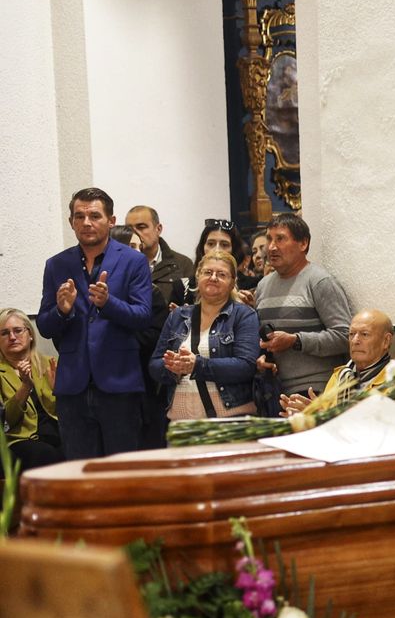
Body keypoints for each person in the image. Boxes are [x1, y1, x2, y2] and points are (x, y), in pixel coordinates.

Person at [37, 187, 153, 460]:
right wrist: (62, 311)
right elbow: (44, 325)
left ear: (111, 221)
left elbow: (143, 316)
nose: (86, 222)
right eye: (79, 216)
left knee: (121, 472)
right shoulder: (56, 264)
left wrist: (108, 303)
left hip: (118, 384)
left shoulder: (133, 261)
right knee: (80, 473)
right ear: (71, 222)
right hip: (72, 387)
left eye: (94, 215)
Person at [252, 213, 354, 414]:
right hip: (276, 391)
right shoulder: (263, 286)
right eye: (269, 239)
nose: (271, 247)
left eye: (280, 239)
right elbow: (265, 340)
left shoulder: (319, 282)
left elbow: (345, 336)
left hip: (317, 391)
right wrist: (264, 357)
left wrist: (296, 340)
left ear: (303, 244)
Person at [148, 251, 261, 427]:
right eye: (207, 272)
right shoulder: (178, 316)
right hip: (180, 425)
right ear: (198, 276)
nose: (213, 278)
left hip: (229, 423)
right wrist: (172, 368)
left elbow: (246, 365)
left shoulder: (243, 315)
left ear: (232, 282)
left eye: (221, 274)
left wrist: (197, 365)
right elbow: (154, 364)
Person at [124, 204, 196, 449]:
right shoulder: (120, 268)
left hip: (170, 357)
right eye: (131, 228)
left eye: (142, 227)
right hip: (134, 360)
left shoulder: (182, 265)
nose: (137, 233)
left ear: (158, 228)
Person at [282, 310, 395, 415]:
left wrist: (324, 418)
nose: (355, 340)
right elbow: (323, 419)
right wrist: (306, 418)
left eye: (364, 334)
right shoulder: (340, 375)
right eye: (351, 334)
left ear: (386, 341)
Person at [1, 309, 61, 470]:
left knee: (79, 448)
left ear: (30, 334)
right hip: (18, 440)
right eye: (4, 333)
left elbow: (67, 413)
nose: (12, 337)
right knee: (44, 454)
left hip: (55, 434)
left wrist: (61, 393)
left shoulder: (51, 364)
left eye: (18, 330)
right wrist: (26, 386)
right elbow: (4, 422)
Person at [191, 219, 257, 296]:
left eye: (224, 245)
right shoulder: (182, 288)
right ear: (202, 248)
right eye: (211, 244)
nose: (217, 250)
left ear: (234, 250)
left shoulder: (252, 285)